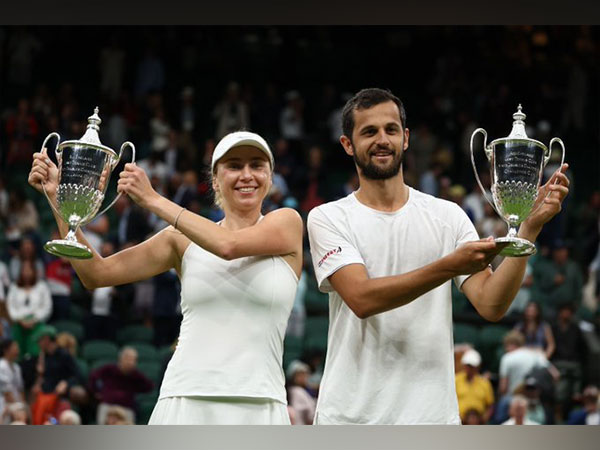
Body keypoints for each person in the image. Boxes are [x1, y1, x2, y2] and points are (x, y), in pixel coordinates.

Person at [306, 88, 570, 424]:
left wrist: (529, 227)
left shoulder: (448, 216)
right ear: (347, 144)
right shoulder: (328, 217)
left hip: (430, 418)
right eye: (368, 132)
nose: (381, 140)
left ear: (406, 138)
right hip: (349, 419)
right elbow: (361, 298)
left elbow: (491, 304)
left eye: (390, 130)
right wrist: (449, 266)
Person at [29, 130, 302, 424]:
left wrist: (152, 200)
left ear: (270, 178)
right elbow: (96, 273)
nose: (246, 175)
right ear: (215, 180)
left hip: (261, 403)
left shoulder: (287, 223)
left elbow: (227, 246)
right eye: (234, 165)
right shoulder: (180, 239)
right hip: (184, 399)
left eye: (257, 165)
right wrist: (58, 198)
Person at [88, 346, 154, 425]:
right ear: (121, 359)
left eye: (133, 360)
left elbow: (149, 386)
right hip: (108, 405)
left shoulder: (136, 375)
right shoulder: (109, 369)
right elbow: (93, 376)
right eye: (128, 359)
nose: (131, 362)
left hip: (126, 407)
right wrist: (96, 391)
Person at [454, 349, 494, 424]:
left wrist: (484, 418)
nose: (469, 369)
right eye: (468, 366)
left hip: (479, 422)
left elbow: (490, 405)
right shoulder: (456, 380)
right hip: (460, 422)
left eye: (472, 366)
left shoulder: (484, 382)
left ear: (477, 367)